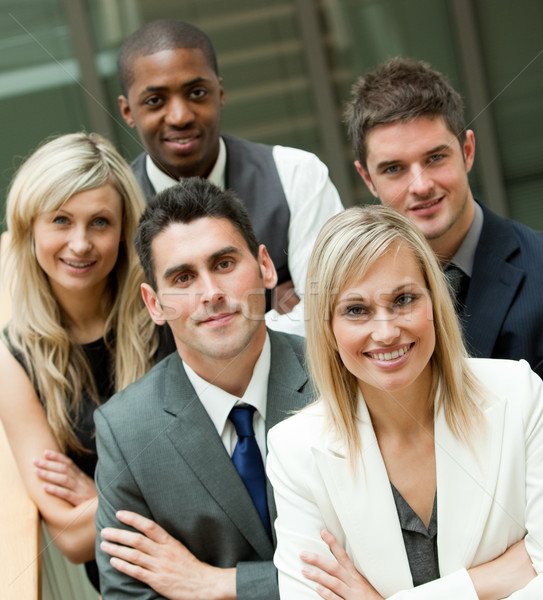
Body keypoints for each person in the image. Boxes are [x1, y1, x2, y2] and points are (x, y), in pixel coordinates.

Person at [266, 205, 543, 599]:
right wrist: (485, 582)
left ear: (435, 302)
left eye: (403, 300)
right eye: (356, 310)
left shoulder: (517, 393)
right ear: (328, 329)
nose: (386, 331)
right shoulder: (295, 448)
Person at [343, 57, 543, 493]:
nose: (420, 185)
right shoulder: (347, 303)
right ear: (367, 178)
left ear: (468, 150)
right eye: (394, 169)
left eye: (435, 158)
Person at [94, 177, 314, 599]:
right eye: (182, 278)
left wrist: (216, 585)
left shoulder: (340, 377)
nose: (211, 293)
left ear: (265, 267)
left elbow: (381, 559)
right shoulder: (126, 431)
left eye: (225, 264)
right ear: (154, 304)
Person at [0, 132, 167, 593]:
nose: (80, 244)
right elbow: (71, 539)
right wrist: (160, 483)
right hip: (128, 584)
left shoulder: (163, 315)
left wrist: (99, 494)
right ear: (30, 225)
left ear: (123, 228)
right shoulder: (14, 357)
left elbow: (214, 464)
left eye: (99, 222)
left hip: (217, 557)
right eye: (60, 220)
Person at [116, 18, 343, 336]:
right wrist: (269, 314)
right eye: (155, 101)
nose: (180, 116)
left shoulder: (295, 174)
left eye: (196, 93)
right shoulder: (113, 208)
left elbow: (333, 312)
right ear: (127, 111)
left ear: (220, 92)